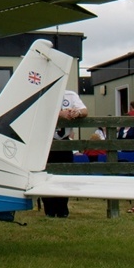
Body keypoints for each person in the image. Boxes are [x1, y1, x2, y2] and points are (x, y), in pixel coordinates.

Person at [41, 87, 88, 217]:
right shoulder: (42, 94)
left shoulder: (70, 95)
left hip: (64, 141)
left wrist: (76, 113)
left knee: (64, 177)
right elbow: (38, 113)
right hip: (46, 142)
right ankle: (49, 210)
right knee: (45, 176)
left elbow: (84, 110)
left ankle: (62, 210)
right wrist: (59, 114)